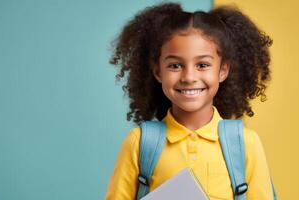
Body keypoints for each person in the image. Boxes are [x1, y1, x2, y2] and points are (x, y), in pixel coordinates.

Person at [105, 2, 275, 200]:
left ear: (223, 70)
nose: (188, 77)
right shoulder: (140, 142)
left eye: (202, 65)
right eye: (175, 65)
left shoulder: (245, 143)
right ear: (158, 71)